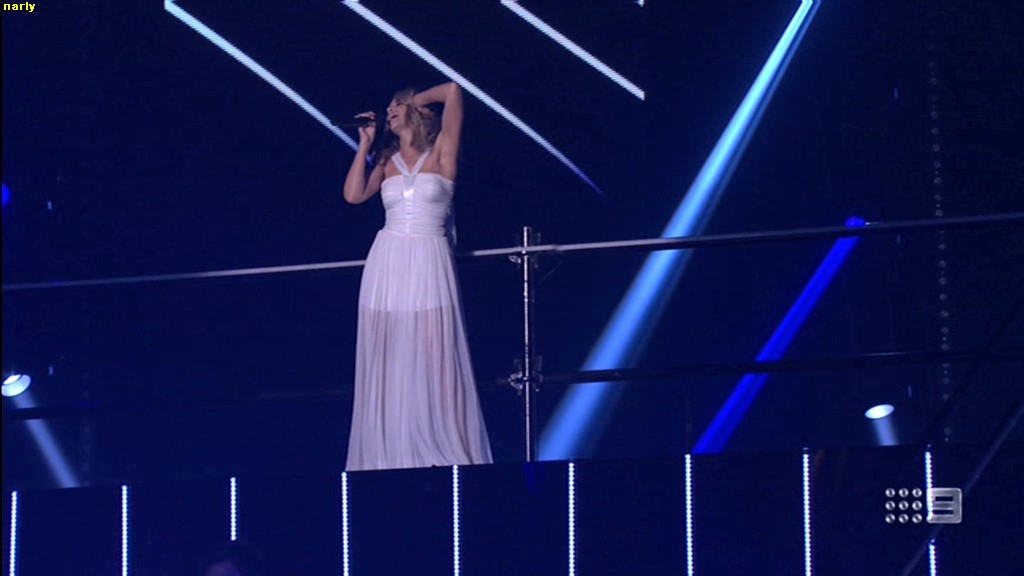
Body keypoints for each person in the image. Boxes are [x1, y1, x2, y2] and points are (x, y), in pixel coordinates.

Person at [342, 81, 493, 471]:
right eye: (389, 106)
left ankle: (448, 448)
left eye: (396, 106)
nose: (389, 111)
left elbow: (454, 91)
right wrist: (365, 144)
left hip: (429, 257)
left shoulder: (442, 152)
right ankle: (389, 452)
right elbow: (354, 196)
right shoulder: (386, 162)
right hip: (388, 259)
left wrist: (411, 101)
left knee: (435, 350)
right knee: (388, 353)